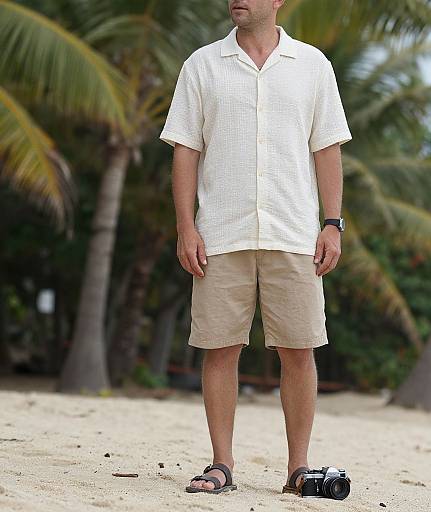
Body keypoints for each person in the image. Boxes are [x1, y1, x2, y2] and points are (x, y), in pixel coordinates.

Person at [159, 0, 352, 496]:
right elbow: (186, 148)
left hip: (294, 233)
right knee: (220, 349)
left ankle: (298, 469)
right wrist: (186, 227)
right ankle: (221, 465)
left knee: (299, 351)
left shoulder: (313, 65)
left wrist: (332, 224)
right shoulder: (201, 65)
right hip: (222, 232)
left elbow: (326, 148)